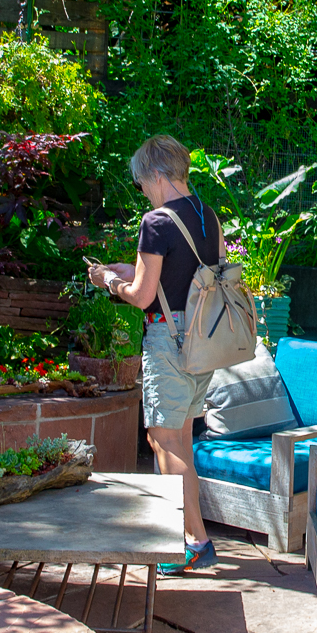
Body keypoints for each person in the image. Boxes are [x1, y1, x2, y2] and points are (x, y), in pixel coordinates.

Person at [87, 135, 223, 574]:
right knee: (179, 439)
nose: (142, 189)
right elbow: (199, 279)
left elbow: (145, 296)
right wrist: (134, 271)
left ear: (159, 175)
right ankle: (195, 538)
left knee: (162, 441)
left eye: (142, 181)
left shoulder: (157, 222)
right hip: (203, 340)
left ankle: (192, 542)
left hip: (168, 340)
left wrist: (109, 280)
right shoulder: (209, 217)